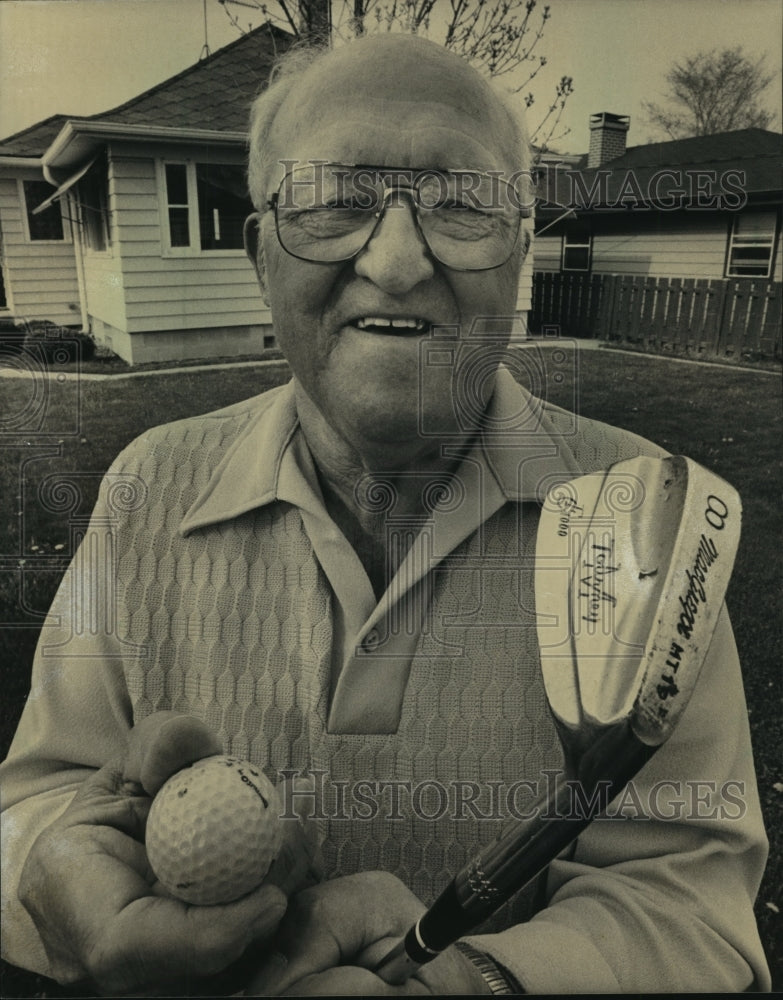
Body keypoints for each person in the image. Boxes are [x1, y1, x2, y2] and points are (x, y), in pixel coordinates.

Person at [0, 33, 770, 996]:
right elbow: (31, 798)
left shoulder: (643, 518)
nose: (399, 261)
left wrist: (478, 983)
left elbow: (690, 903)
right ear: (259, 255)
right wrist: (47, 872)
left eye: (464, 204)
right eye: (334, 198)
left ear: (519, 255)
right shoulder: (145, 487)